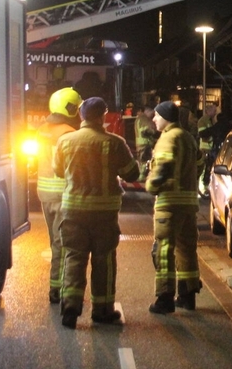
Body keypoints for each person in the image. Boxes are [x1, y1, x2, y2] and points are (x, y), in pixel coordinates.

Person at [54, 97, 140, 329]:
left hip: (73, 211)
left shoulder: (65, 141)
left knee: (73, 256)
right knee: (104, 261)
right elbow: (132, 174)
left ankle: (70, 307)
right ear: (102, 116)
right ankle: (102, 311)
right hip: (103, 214)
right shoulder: (115, 142)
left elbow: (59, 171)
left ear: (81, 116)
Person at [146, 101, 202, 314]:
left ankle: (165, 298)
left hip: (170, 204)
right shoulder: (187, 137)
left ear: (166, 117)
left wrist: (152, 185)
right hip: (189, 203)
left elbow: (165, 165)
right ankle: (187, 296)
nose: (154, 119)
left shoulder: (168, 137)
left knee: (163, 250)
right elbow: (199, 163)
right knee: (186, 250)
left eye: (157, 116)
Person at [35, 87, 82, 304]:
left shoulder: (41, 130)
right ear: (70, 108)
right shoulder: (69, 133)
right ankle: (58, 288)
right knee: (62, 243)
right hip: (64, 194)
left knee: (54, 241)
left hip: (44, 194)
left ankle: (55, 286)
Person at [196, 103, 217, 195]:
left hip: (210, 148)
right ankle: (202, 189)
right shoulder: (203, 121)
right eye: (214, 110)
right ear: (208, 111)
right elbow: (203, 134)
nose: (215, 112)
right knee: (203, 169)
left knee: (208, 169)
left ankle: (205, 187)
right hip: (205, 148)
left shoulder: (211, 120)